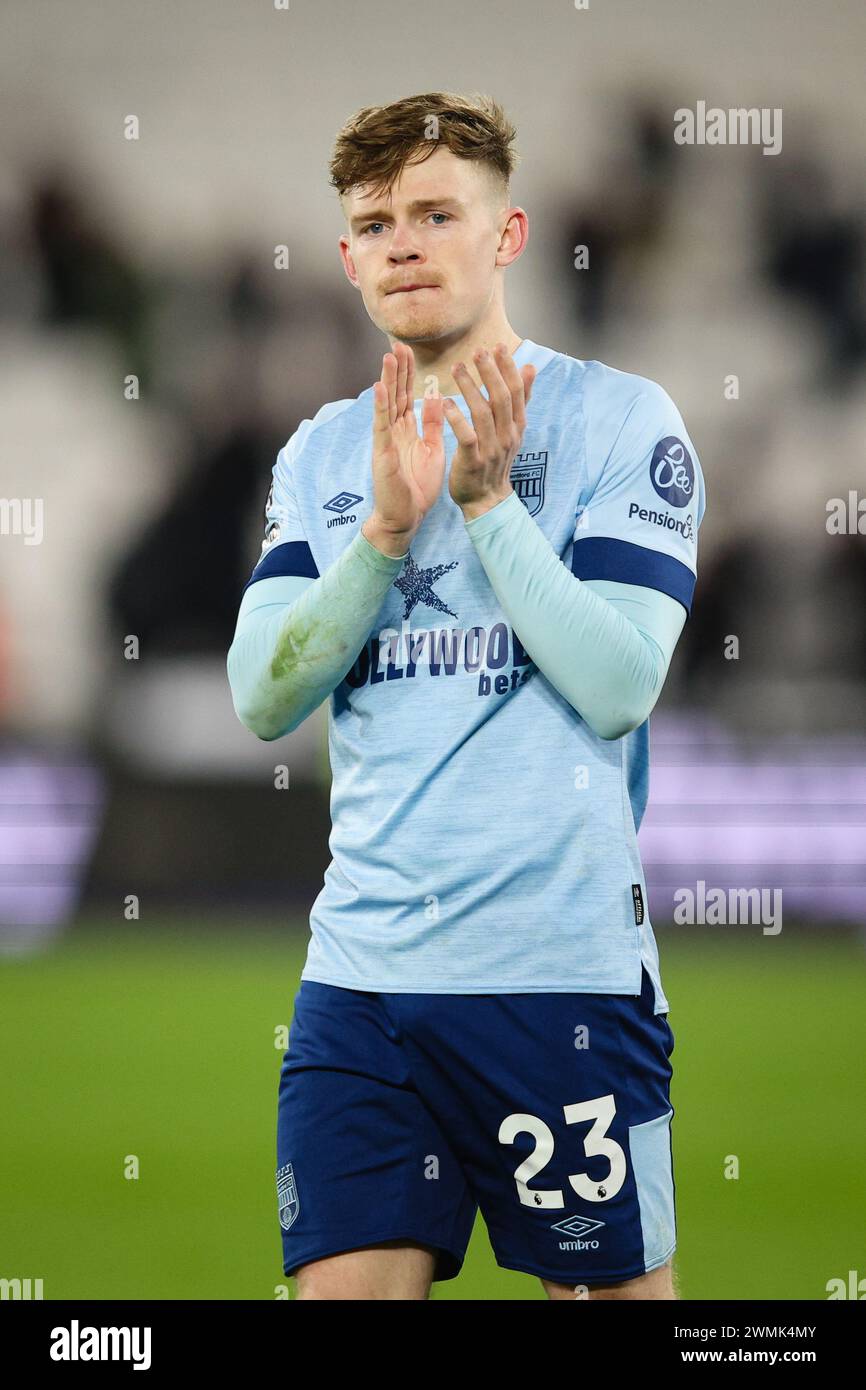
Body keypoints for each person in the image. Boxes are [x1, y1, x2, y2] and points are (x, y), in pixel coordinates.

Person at [226, 92, 706, 1301]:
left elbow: (616, 685)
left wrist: (488, 507)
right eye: (376, 221)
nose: (403, 241)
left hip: (558, 983)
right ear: (345, 258)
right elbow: (262, 697)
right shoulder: (326, 454)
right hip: (360, 983)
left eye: (437, 212)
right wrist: (384, 533)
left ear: (507, 235)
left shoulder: (617, 420)